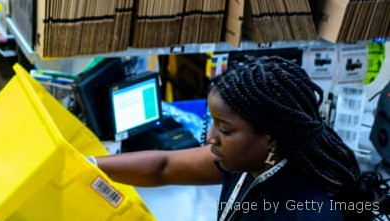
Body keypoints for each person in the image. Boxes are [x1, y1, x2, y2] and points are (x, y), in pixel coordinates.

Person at [96, 56, 390, 220]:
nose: (211, 138)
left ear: (270, 136)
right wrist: (85, 164)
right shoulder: (247, 159)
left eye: (224, 129)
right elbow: (163, 166)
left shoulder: (303, 213)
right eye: (213, 124)